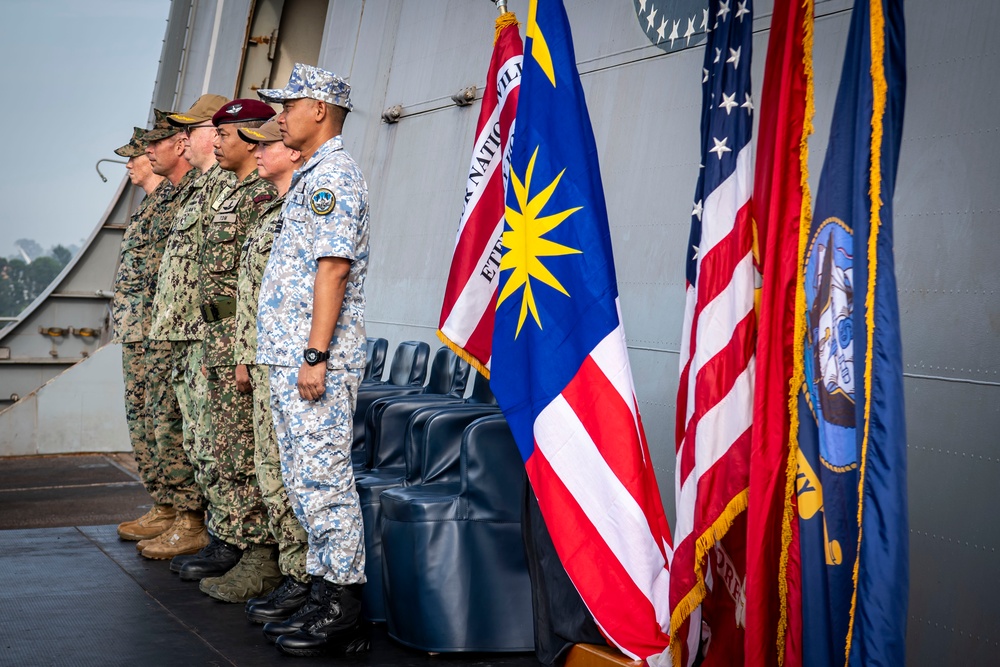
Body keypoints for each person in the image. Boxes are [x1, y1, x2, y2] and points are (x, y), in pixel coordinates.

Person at [253, 63, 370, 657]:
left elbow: (333, 269)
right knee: (304, 482)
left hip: (313, 358)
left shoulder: (335, 177)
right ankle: (324, 592)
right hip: (288, 355)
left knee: (325, 482)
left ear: (319, 109)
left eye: (288, 106)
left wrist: (316, 355)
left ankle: (344, 607)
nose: (280, 117)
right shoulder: (312, 176)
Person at [193, 98, 284, 603]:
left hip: (243, 338)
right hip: (220, 335)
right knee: (225, 446)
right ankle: (238, 541)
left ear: (251, 138)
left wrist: (245, 347)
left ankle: (260, 556)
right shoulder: (228, 192)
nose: (218, 142)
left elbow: (258, 284)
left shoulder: (262, 197)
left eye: (226, 134)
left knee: (248, 451)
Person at [145, 94, 237, 565]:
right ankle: (206, 528)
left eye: (196, 129)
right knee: (197, 440)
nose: (185, 138)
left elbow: (227, 275)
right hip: (185, 334)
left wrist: (223, 338)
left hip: (208, 337)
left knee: (213, 440)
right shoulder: (200, 188)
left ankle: (218, 534)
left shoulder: (228, 187)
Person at [232, 119, 312, 624]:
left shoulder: (303, 207)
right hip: (266, 358)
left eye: (268, 145)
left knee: (295, 473)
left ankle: (305, 579)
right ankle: (291, 572)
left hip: (292, 361)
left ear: (296, 152)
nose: (257, 153)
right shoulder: (267, 212)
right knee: (270, 470)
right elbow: (253, 295)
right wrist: (246, 353)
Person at [123, 112, 208, 560]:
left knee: (173, 426)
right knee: (149, 424)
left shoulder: (188, 195)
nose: (142, 155)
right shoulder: (167, 199)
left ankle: (190, 517)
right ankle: (168, 506)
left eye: (154, 144)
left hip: (175, 333)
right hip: (148, 329)